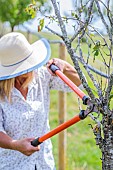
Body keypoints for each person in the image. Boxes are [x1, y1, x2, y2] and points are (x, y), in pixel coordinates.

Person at [0, 32, 82, 170]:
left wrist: (65, 67)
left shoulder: (41, 76)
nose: (28, 69)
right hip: (12, 164)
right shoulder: (2, 93)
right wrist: (15, 144)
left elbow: (79, 83)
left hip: (44, 163)